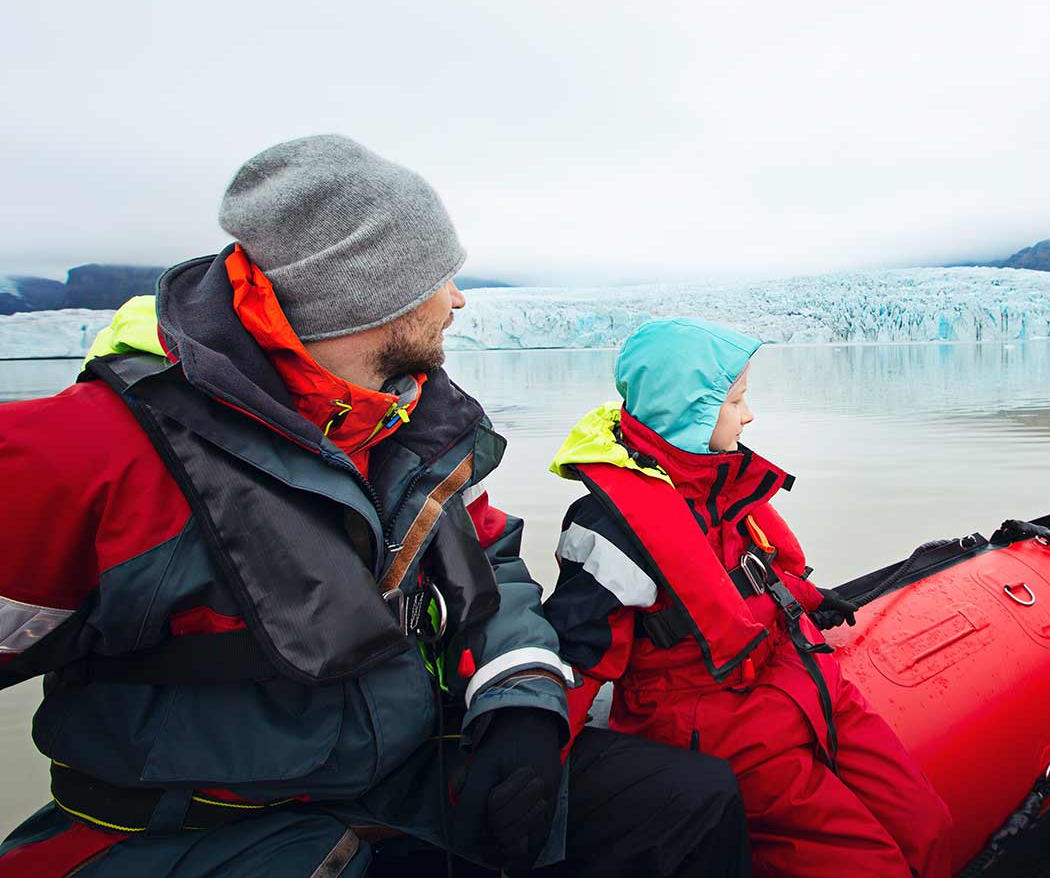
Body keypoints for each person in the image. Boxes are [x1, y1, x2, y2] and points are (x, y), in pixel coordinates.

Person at [0, 137, 750, 877]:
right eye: (441, 278)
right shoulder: (88, 451)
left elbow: (494, 576)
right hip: (205, 830)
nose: (458, 299)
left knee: (689, 802)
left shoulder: (409, 428)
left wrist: (519, 702)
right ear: (370, 292)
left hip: (398, 774)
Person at [543, 318, 954, 877]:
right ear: (687, 411)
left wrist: (807, 596)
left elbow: (746, 578)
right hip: (726, 732)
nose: (749, 415)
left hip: (810, 689)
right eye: (736, 401)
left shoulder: (716, 487)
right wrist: (533, 768)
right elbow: (578, 654)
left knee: (928, 827)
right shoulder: (614, 525)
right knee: (872, 866)